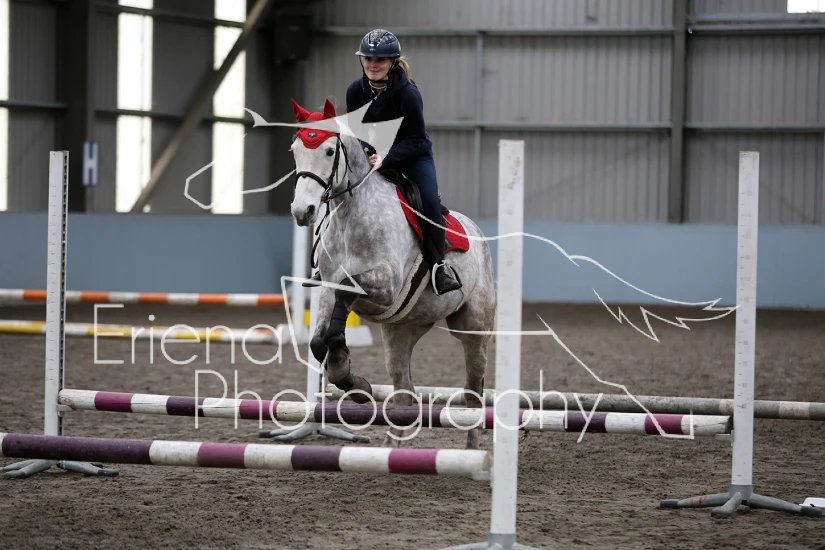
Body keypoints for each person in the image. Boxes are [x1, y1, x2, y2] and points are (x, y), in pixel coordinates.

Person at [344, 28, 462, 296]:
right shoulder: (355, 91)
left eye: (380, 60)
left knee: (428, 200)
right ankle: (328, 259)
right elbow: (356, 131)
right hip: (372, 157)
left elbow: (416, 139)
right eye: (368, 59)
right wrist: (365, 150)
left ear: (393, 62)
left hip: (412, 157)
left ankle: (439, 266)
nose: (373, 65)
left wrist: (385, 157)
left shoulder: (408, 94)